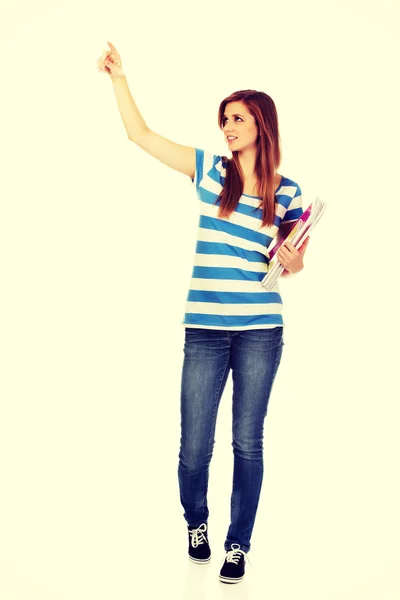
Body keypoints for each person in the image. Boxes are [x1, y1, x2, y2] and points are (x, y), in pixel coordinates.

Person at [97, 41, 310, 585]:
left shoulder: (288, 193)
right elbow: (139, 136)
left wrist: (292, 257)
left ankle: (238, 545)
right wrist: (120, 79)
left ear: (262, 123)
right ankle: (197, 523)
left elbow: (297, 262)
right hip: (206, 330)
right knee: (195, 445)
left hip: (262, 329)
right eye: (224, 120)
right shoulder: (210, 171)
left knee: (248, 441)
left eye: (237, 118)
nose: (228, 128)